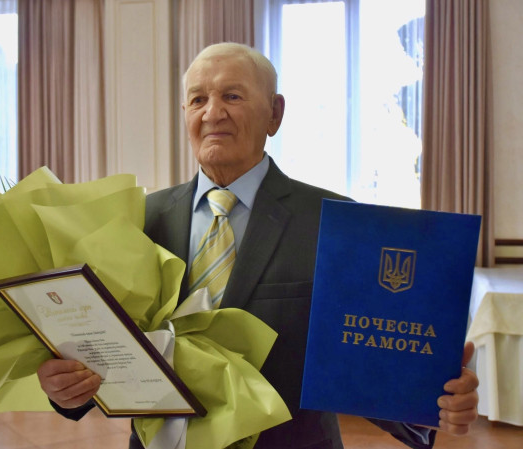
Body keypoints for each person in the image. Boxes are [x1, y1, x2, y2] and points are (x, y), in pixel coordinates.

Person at [37, 42, 479, 449]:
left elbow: (370, 356)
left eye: (232, 96)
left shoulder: (336, 223)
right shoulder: (138, 220)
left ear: (274, 113)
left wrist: (434, 403)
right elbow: (107, 345)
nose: (213, 113)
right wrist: (67, 389)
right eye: (198, 100)